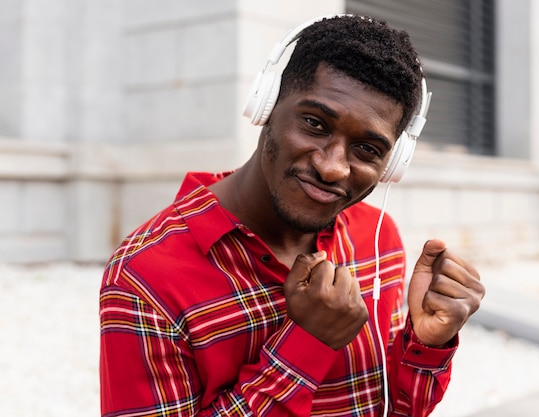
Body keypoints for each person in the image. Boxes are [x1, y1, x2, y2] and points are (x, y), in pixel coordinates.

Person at [99, 14, 485, 417]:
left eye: (368, 149)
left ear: (393, 164)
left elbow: (394, 408)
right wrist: (307, 345)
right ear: (266, 105)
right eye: (315, 124)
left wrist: (427, 345)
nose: (334, 167)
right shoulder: (145, 275)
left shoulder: (377, 236)